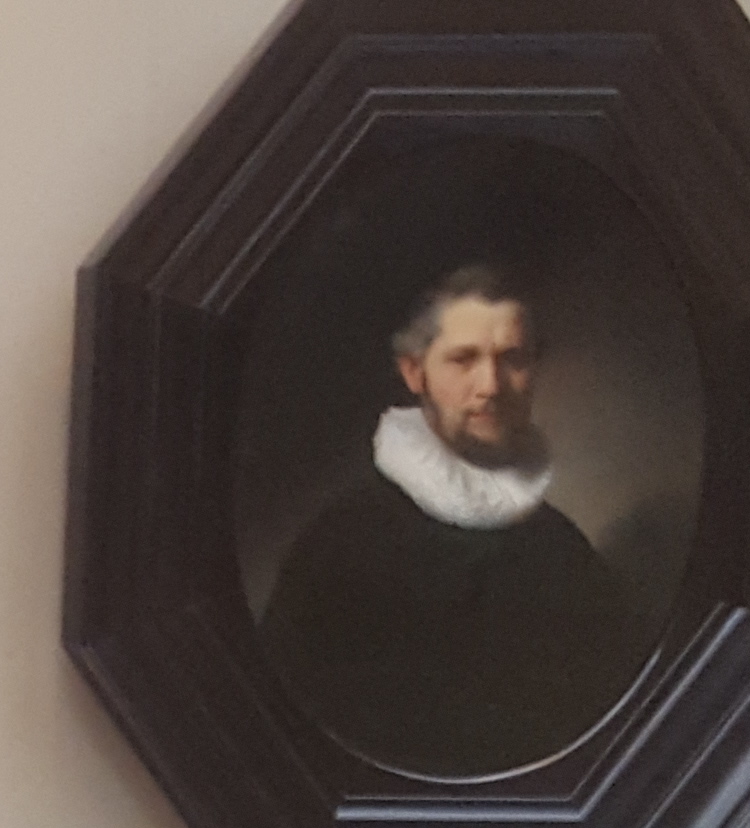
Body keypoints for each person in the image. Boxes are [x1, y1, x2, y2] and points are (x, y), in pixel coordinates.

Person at [255, 261, 648, 776]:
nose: (490, 385)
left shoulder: (562, 548)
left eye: (513, 359)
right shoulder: (340, 543)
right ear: (414, 373)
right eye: (463, 360)